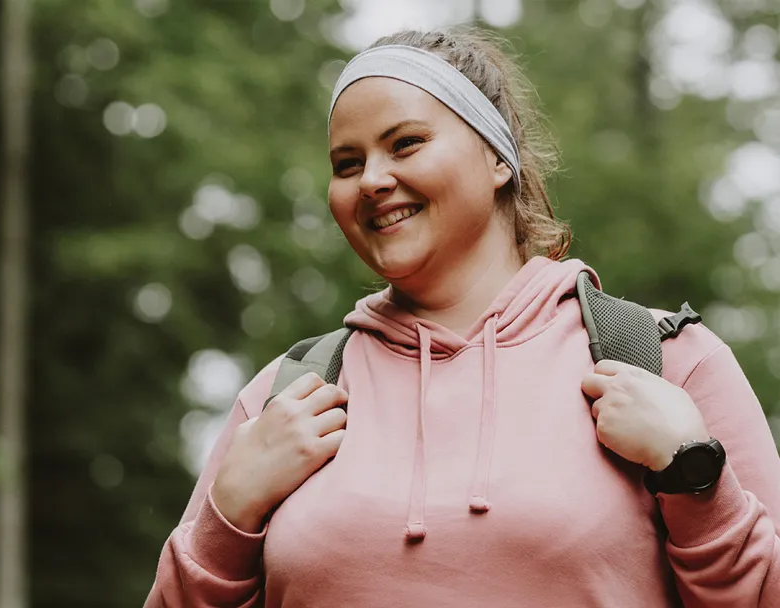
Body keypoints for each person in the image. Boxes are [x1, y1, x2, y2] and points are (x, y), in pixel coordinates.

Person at [144, 26, 780, 607]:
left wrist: (696, 476)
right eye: (347, 164)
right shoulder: (288, 396)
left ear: (498, 158)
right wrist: (225, 517)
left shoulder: (665, 359)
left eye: (406, 143)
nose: (371, 180)